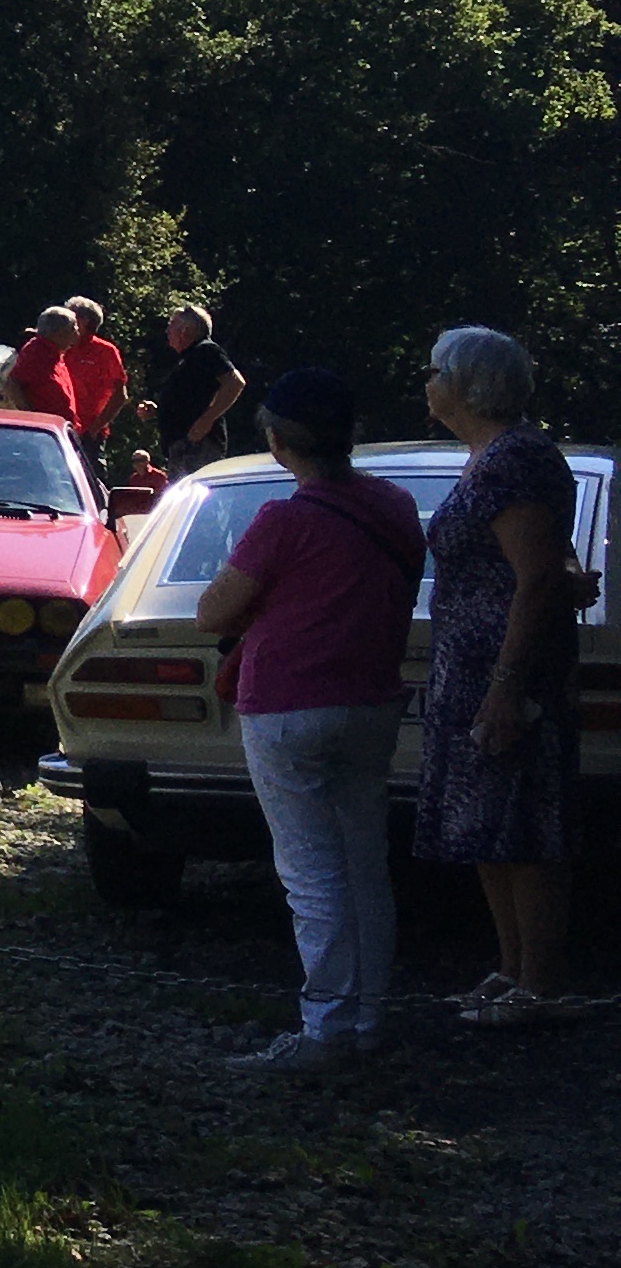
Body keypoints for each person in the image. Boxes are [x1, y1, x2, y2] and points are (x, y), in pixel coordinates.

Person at [195, 367, 423, 1069]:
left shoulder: (282, 519)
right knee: (365, 864)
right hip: (372, 700)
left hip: (287, 705)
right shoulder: (395, 506)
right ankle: (368, 1020)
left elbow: (213, 614)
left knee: (311, 874)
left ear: (276, 441)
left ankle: (324, 1029)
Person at [416, 325, 584, 1022]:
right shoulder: (485, 457)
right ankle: (510, 968)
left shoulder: (515, 458)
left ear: (468, 383)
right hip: (470, 667)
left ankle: (539, 984)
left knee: (524, 822)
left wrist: (507, 686)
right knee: (486, 822)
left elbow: (536, 574)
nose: (426, 383)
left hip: (508, 673)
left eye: (435, 371)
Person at [141, 305, 251, 474]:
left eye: (171, 324)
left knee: (196, 490)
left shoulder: (207, 350)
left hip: (197, 445)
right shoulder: (186, 359)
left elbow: (235, 382)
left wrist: (207, 420)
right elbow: (190, 399)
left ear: (185, 330)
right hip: (182, 446)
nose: (167, 331)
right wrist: (158, 411)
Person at [60, 296, 129, 449]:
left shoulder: (105, 351)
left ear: (84, 321)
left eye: (69, 317)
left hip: (89, 434)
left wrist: (95, 429)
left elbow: (120, 395)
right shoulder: (61, 346)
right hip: (58, 427)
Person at [3, 305, 84, 422]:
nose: (77, 335)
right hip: (45, 427)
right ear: (58, 333)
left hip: (61, 426)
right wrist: (32, 418)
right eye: (73, 329)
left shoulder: (55, 352)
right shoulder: (36, 352)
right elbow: (13, 384)